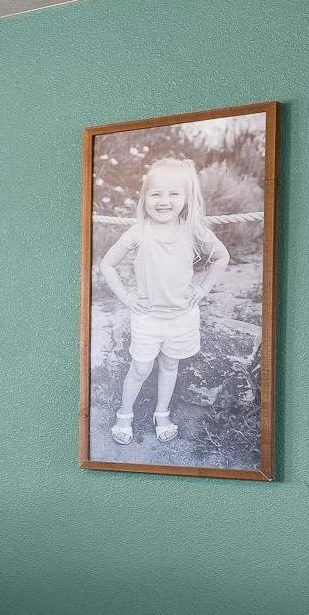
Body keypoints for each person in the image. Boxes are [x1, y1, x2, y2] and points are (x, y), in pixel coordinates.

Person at [98, 157, 230, 446]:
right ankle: (125, 413)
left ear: (186, 197)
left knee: (170, 365)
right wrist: (127, 297)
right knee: (141, 368)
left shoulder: (192, 229)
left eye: (173, 193)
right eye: (156, 193)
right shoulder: (138, 231)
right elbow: (107, 264)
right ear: (145, 197)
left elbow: (221, 258)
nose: (164, 201)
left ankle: (162, 413)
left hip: (182, 317)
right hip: (147, 317)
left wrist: (203, 289)